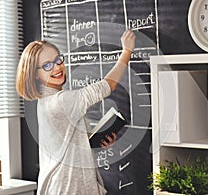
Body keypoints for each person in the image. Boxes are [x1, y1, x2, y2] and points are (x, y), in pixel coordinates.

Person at [16, 30, 135, 195]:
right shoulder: (60, 101)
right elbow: (106, 87)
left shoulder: (45, 101)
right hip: (69, 188)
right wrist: (127, 52)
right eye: (47, 65)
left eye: (58, 60)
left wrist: (95, 141)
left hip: (61, 186)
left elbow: (67, 143)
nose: (57, 67)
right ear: (35, 74)